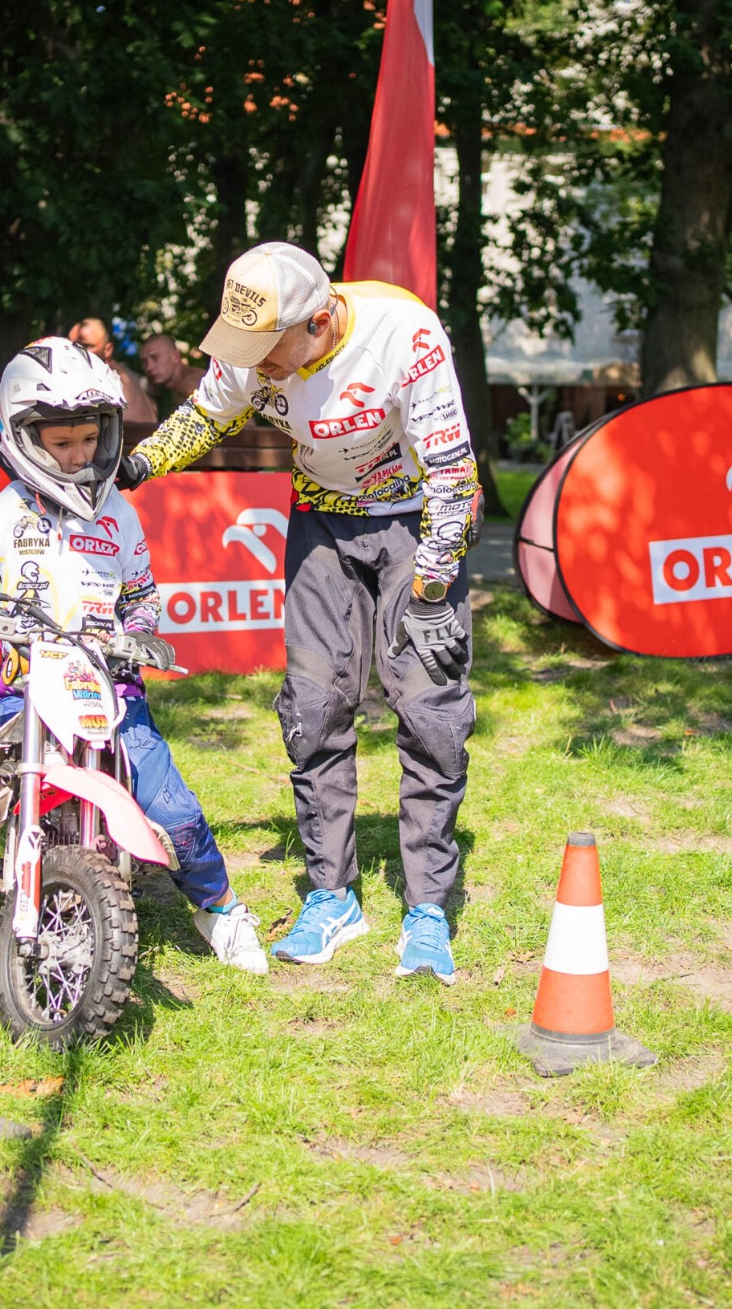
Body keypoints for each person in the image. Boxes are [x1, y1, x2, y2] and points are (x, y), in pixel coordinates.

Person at [117, 242, 479, 985]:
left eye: (267, 348)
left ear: (317, 322)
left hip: (417, 524)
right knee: (313, 708)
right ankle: (332, 894)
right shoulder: (253, 351)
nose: (255, 365)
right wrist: (135, 466)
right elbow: (204, 417)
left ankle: (428, 908)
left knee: (430, 710)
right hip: (321, 519)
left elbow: (455, 474)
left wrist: (436, 589)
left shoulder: (405, 337)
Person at [0, 336, 267, 976]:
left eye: (90, 438)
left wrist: (140, 631)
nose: (80, 454)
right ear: (24, 436)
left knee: (172, 808)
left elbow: (143, 594)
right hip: (23, 691)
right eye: (62, 443)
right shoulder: (2, 513)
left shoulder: (120, 515)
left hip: (111, 690)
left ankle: (222, 908)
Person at [69, 317, 159, 423]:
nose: (76, 353)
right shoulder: (124, 375)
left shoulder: (107, 379)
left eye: (86, 346)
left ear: (108, 350)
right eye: (71, 347)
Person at [140, 334, 206, 406]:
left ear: (175, 356)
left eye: (155, 358)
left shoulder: (193, 386)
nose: (149, 367)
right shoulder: (161, 390)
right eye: (144, 362)